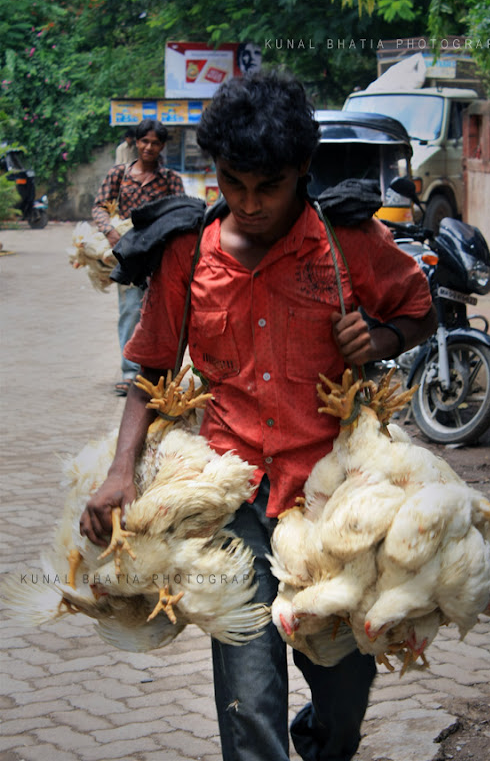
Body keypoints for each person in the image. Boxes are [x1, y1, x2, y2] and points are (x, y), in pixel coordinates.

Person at [81, 70, 437, 760]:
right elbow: (150, 368)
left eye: (265, 188)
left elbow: (416, 308)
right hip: (231, 496)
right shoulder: (186, 253)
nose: (247, 205)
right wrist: (119, 471)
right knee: (247, 701)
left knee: (342, 697)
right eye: (230, 185)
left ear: (301, 170)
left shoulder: (347, 244)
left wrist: (383, 338)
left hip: (332, 502)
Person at [92, 118, 185, 396]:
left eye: (155, 143)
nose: (149, 147)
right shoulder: (119, 175)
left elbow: (182, 214)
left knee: (160, 312)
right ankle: (130, 371)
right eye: (144, 141)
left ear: (162, 146)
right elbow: (99, 207)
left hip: (159, 255)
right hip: (128, 254)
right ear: (136, 142)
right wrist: (109, 230)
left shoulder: (170, 180)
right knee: (130, 311)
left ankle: (157, 373)